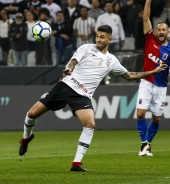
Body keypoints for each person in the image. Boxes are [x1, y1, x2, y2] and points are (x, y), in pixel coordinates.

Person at [18, 24, 167, 172]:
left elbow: (130, 76)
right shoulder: (86, 48)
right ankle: (25, 138)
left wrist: (152, 71)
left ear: (109, 39)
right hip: (66, 86)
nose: (98, 39)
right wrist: (69, 68)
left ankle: (76, 163)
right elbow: (73, 61)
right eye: (97, 36)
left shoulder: (112, 61)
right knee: (31, 114)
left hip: (83, 95)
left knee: (90, 124)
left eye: (102, 37)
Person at [135, 0, 170, 157]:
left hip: (161, 86)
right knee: (141, 113)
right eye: (159, 29)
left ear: (168, 32)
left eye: (164, 29)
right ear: (156, 31)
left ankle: (147, 145)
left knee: (156, 119)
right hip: (146, 82)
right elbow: (145, 17)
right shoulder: (150, 39)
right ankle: (144, 143)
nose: (161, 32)